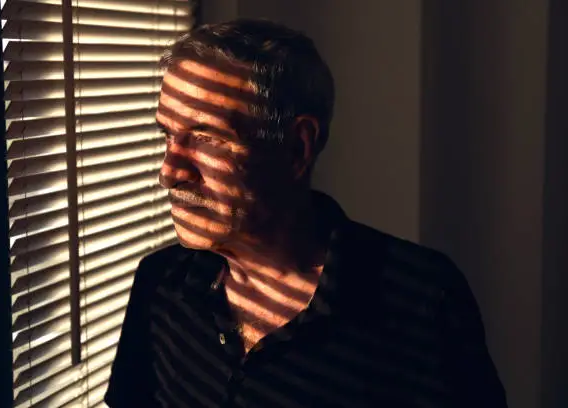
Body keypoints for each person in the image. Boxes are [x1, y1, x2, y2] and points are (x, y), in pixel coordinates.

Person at [105, 18, 507, 408]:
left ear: (297, 148)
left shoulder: (421, 300)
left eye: (207, 138)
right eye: (169, 136)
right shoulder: (160, 285)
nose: (169, 172)